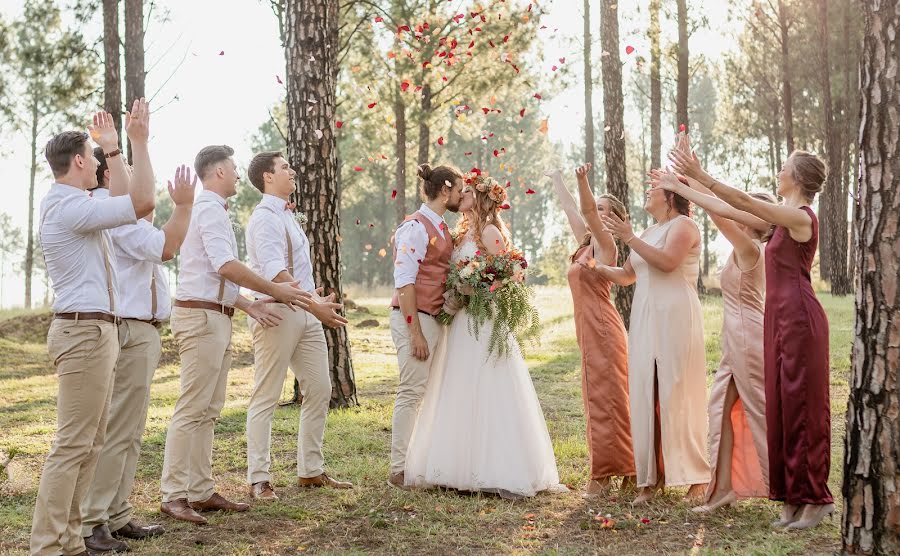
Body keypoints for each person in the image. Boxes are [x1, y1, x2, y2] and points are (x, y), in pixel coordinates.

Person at [670, 144, 833, 530]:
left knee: (804, 410)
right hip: (777, 322)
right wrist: (686, 183)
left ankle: (816, 497)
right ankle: (793, 496)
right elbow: (726, 210)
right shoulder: (779, 223)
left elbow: (741, 199)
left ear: (798, 179)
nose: (778, 172)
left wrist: (703, 173)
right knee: (784, 411)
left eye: (784, 168)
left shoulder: (800, 217)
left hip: (800, 320)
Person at [159, 145, 312, 525]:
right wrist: (274, 292)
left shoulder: (215, 211)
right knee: (193, 406)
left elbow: (215, 275)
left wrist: (247, 305)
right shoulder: (208, 209)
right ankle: (173, 493)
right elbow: (225, 266)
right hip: (200, 318)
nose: (238, 174)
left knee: (209, 409)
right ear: (217, 173)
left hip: (217, 314)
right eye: (232, 167)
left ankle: (201, 489)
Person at [30, 101, 157, 556]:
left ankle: (69, 540)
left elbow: (129, 205)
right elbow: (142, 203)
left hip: (96, 331)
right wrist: (135, 144)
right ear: (79, 162)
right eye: (95, 153)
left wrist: (117, 148)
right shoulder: (67, 208)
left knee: (91, 442)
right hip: (83, 332)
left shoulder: (80, 203)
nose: (100, 160)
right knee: (72, 444)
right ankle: (47, 545)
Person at [403, 174, 564, 498]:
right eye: (460, 191)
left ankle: (496, 466)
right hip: (461, 322)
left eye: (466, 192)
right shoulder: (462, 233)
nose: (460, 196)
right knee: (458, 385)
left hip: (483, 323)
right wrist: (455, 292)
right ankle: (453, 465)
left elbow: (511, 276)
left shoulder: (490, 232)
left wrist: (475, 289)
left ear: (479, 198)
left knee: (488, 385)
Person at [80, 159, 195, 552]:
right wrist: (183, 206)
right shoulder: (109, 210)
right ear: (108, 173)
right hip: (127, 327)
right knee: (116, 430)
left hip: (138, 328)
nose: (134, 173)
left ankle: (116, 512)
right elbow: (165, 247)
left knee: (128, 430)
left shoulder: (116, 210)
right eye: (124, 165)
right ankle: (94, 519)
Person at [651, 164, 773, 513]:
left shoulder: (752, 248)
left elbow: (719, 215)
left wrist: (683, 186)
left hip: (750, 335)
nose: (740, 213)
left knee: (759, 410)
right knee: (719, 408)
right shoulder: (741, 246)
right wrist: (685, 183)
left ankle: (785, 486)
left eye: (748, 210)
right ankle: (722, 490)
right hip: (733, 336)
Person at [594, 172, 710, 505]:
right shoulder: (648, 231)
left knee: (677, 390)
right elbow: (628, 275)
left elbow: (668, 262)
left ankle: (696, 478)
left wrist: (629, 237)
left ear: (672, 194)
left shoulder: (684, 227)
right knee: (646, 391)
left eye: (654, 189)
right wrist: (596, 267)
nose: (647, 192)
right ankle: (650, 477)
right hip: (644, 317)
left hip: (675, 314)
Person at [244, 151, 351, 499]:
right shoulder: (263, 218)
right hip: (276, 312)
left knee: (320, 387)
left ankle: (311, 470)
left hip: (304, 312)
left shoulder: (288, 215)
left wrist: (312, 305)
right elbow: (276, 272)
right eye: (284, 167)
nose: (292, 171)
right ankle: (258, 477)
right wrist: (315, 303)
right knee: (267, 394)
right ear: (267, 178)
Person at [548, 164, 635, 496]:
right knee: (600, 397)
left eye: (602, 210)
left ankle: (603, 476)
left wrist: (583, 180)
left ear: (612, 218)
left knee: (606, 399)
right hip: (588, 329)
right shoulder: (585, 245)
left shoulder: (604, 243)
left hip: (602, 327)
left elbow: (584, 209)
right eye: (595, 208)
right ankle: (627, 470)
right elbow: (573, 208)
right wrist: (558, 179)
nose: (594, 213)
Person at [387, 163, 464, 489]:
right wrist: (415, 332)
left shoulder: (440, 227)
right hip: (414, 318)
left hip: (431, 318)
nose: (462, 196)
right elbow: (404, 283)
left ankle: (419, 461)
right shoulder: (415, 228)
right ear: (445, 189)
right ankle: (398, 470)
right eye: (460, 190)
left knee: (425, 392)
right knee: (411, 391)